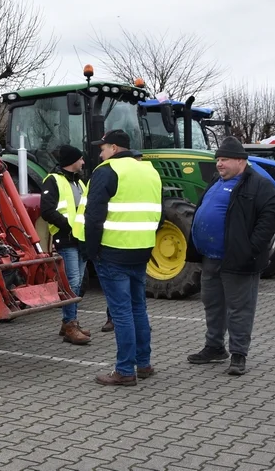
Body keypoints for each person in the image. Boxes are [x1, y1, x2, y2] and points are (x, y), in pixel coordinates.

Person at [186, 137, 275, 375]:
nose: (219, 164)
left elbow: (270, 218)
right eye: (218, 159)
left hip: (238, 259)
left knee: (240, 309)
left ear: (241, 161)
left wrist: (251, 249)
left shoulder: (259, 184)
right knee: (213, 304)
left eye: (224, 159)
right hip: (210, 257)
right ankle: (214, 347)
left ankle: (239, 354)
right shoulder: (216, 182)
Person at [84, 129, 162, 386]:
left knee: (121, 312)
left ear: (114, 148)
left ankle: (125, 370)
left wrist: (91, 250)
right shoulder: (150, 170)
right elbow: (157, 213)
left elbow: (94, 217)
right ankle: (144, 363)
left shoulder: (106, 171)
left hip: (113, 251)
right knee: (138, 307)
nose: (101, 152)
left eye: (103, 148)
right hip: (142, 249)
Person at [40, 144, 91, 345]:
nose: (83, 162)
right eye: (80, 159)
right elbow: (47, 210)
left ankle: (69, 323)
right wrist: (67, 225)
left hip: (80, 238)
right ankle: (70, 324)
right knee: (73, 282)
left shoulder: (80, 182)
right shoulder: (53, 181)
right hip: (67, 238)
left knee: (76, 283)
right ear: (72, 161)